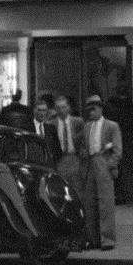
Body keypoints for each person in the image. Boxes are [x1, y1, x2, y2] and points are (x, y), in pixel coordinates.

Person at [81, 95, 122, 250]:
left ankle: (107, 239)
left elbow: (117, 150)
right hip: (91, 163)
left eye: (94, 109)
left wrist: (110, 164)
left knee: (106, 202)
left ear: (100, 108)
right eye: (89, 110)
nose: (91, 112)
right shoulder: (87, 126)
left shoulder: (111, 126)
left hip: (103, 162)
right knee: (90, 202)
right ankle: (93, 238)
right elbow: (84, 145)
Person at [50, 95, 87, 236]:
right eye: (58, 108)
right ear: (55, 109)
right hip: (59, 160)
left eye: (64, 107)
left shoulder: (78, 122)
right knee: (60, 193)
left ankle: (80, 227)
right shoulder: (51, 124)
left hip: (74, 159)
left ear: (69, 108)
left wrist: (83, 151)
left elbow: (84, 138)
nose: (61, 110)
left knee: (77, 192)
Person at [104, 91, 133, 205]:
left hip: (117, 142)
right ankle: (129, 194)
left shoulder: (112, 109)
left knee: (118, 169)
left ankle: (120, 194)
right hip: (128, 142)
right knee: (127, 169)